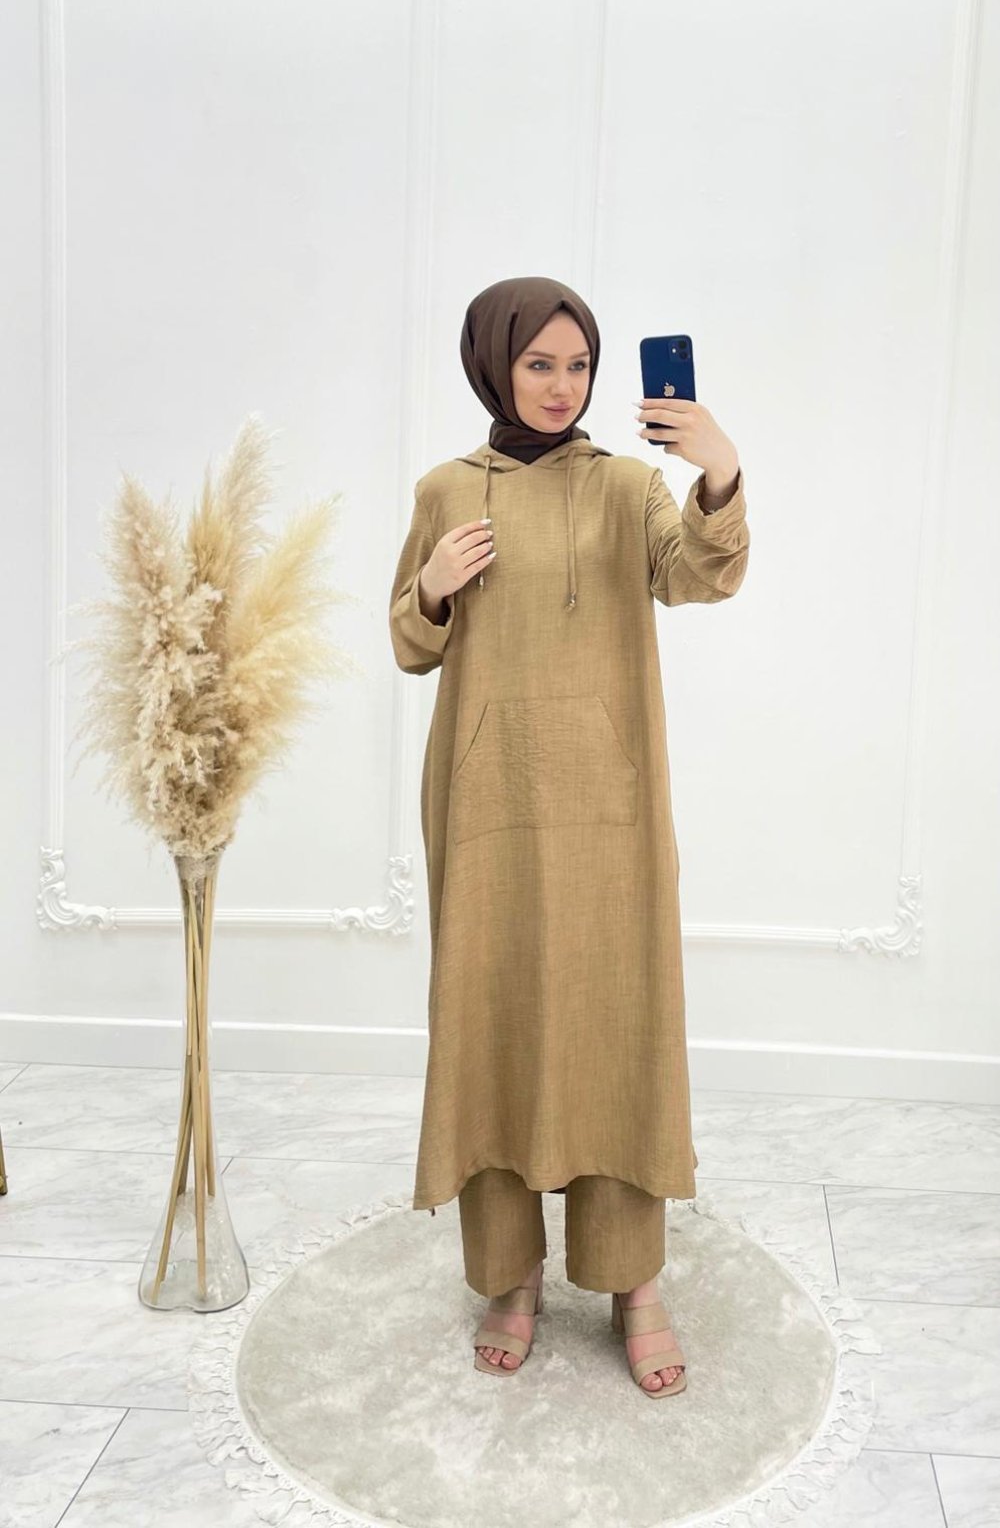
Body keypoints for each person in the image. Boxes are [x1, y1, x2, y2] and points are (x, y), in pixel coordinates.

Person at [388, 275, 749, 1396]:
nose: (561, 386)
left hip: (611, 806)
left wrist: (718, 471)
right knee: (493, 1022)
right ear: (493, 365)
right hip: (487, 802)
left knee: (615, 1024)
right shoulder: (447, 488)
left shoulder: (629, 485)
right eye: (538, 363)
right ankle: (510, 1275)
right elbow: (409, 643)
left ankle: (633, 1279)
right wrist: (432, 586)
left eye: (578, 365)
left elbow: (701, 575)